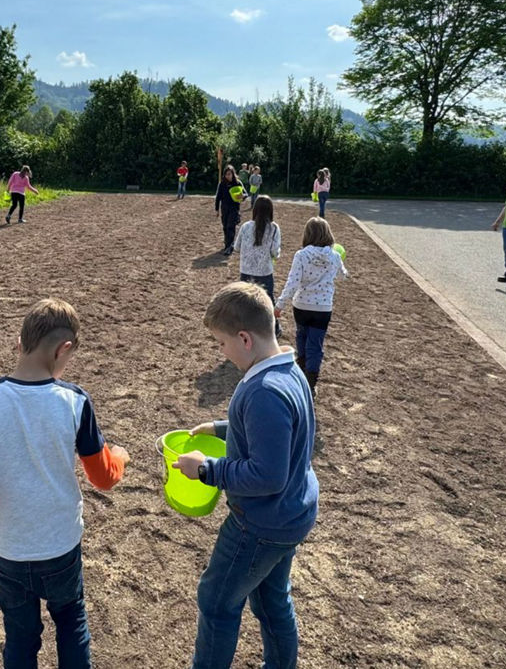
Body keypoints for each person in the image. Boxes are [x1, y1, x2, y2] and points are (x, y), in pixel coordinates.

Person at [0, 298, 130, 669]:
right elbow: (103, 477)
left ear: (20, 343)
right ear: (64, 349)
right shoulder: (75, 401)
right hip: (59, 544)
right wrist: (120, 457)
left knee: (19, 635)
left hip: (8, 545)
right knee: (70, 621)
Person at [172, 281, 317, 669]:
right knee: (272, 600)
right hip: (291, 515)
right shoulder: (288, 367)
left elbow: (268, 475)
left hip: (260, 523)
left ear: (244, 338)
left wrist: (205, 469)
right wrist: (222, 428)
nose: (222, 352)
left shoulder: (263, 391)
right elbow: (275, 431)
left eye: (221, 344)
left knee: (217, 601)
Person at [274, 216, 347, 397]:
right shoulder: (335, 256)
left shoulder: (302, 255)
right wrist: (342, 265)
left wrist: (280, 304)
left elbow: (292, 282)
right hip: (323, 307)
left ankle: (301, 370)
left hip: (302, 306)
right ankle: (311, 383)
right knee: (316, 344)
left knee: (301, 336)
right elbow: (343, 276)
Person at [236, 195, 281, 308]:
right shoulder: (274, 228)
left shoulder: (245, 226)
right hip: (264, 272)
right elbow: (275, 252)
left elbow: (237, 247)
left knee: (245, 304)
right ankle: (274, 326)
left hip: (246, 271)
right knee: (268, 302)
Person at [214, 164, 244, 256]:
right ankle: (228, 243)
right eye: (226, 174)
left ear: (233, 174)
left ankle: (229, 247)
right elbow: (218, 197)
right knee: (225, 227)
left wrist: (242, 196)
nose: (228, 176)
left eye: (229, 174)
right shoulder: (222, 184)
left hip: (234, 208)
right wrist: (217, 209)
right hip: (225, 208)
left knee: (231, 227)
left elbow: (245, 193)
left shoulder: (238, 183)